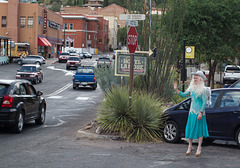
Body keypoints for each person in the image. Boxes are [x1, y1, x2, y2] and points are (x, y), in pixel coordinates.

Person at [173, 71, 209, 157]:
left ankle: (199, 147)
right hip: (192, 112)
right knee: (190, 129)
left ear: (200, 79)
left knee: (200, 130)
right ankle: (190, 146)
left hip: (199, 112)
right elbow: (184, 95)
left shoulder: (203, 90)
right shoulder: (191, 88)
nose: (195, 79)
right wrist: (176, 90)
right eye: (194, 78)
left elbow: (204, 102)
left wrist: (200, 112)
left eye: (196, 78)